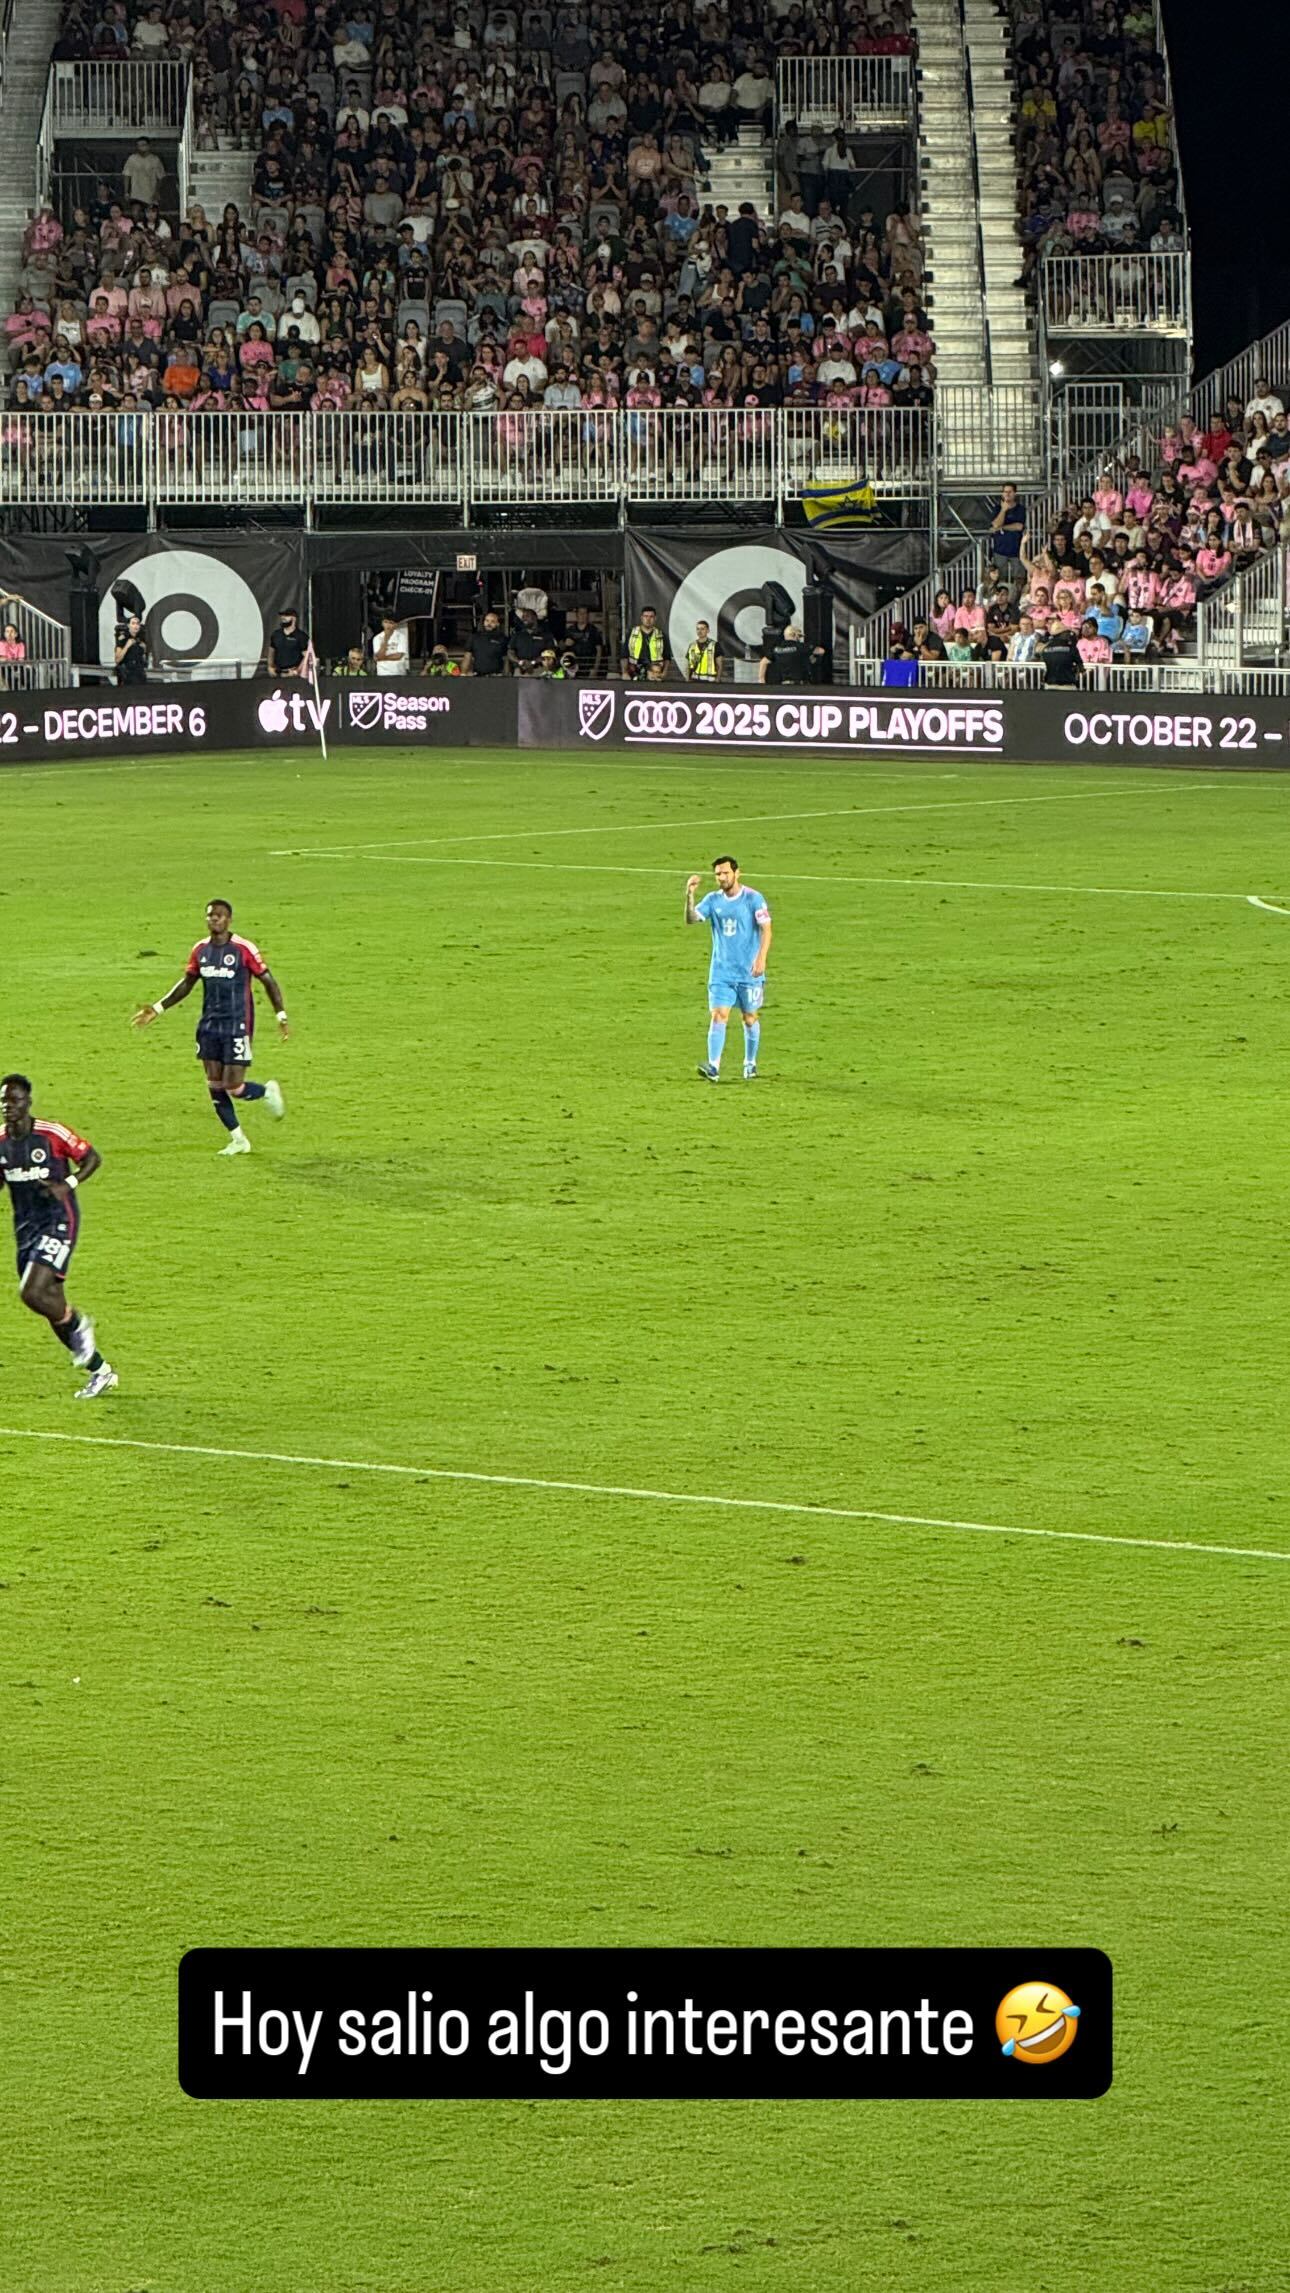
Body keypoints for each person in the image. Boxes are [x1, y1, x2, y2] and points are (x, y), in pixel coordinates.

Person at [132, 898, 288, 1157]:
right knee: (215, 1085)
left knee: (234, 1087)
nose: (214, 919)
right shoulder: (201, 950)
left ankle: (266, 1091)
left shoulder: (243, 948)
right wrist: (157, 1009)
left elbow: (268, 981)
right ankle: (238, 1139)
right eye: (210, 916)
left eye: (219, 915)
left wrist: (280, 1015)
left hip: (237, 1025)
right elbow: (186, 984)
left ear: (229, 920)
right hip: (209, 1026)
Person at [0, 1073, 117, 1399]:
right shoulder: (0, 1142)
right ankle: (100, 1371)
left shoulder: (52, 1134)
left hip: (58, 1221)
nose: (9, 1107)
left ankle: (80, 1325)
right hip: (25, 1230)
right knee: (50, 1304)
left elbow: (92, 1158)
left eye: (15, 1100)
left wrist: (69, 1183)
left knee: (32, 1293)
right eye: (4, 1101)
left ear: (28, 1102)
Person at [684, 855, 772, 1083]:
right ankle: (713, 1067)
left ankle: (750, 1063)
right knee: (719, 1015)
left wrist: (761, 959)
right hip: (721, 973)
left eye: (725, 873)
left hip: (749, 972)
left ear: (737, 873)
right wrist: (690, 896)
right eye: (718, 874)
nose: (722, 877)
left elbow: (767, 930)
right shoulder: (713, 900)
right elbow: (692, 919)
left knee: (749, 1018)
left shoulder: (754, 898)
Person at [622, 606, 667, 679]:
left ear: (655, 618)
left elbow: (667, 657)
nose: (648, 619)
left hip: (655, 674)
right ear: (641, 618)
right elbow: (624, 654)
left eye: (651, 617)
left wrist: (664, 673)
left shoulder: (661, 635)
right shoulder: (632, 633)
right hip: (634, 672)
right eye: (646, 616)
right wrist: (624, 672)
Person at [267, 608, 309, 678]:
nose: (283, 618)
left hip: (293, 673)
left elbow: (306, 656)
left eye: (286, 615)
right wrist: (270, 666)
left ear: (294, 618)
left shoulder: (301, 636)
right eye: (282, 616)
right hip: (278, 673)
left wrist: (297, 671)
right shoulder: (276, 634)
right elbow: (271, 651)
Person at [466, 611, 508, 675]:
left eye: (492, 621)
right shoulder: (474, 637)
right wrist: (463, 673)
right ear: (483, 622)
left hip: (497, 676)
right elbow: (467, 657)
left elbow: (506, 659)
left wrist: (507, 675)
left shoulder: (503, 639)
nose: (489, 623)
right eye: (487, 620)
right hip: (478, 676)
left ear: (498, 624)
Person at [373, 611, 411, 676]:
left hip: (398, 672)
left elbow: (398, 656)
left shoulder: (401, 637)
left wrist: (382, 658)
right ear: (382, 623)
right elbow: (378, 655)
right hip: (382, 673)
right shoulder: (376, 638)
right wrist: (386, 639)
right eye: (385, 622)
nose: (388, 625)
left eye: (391, 623)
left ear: (395, 625)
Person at [115, 612, 148, 684]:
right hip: (128, 673)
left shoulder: (141, 638)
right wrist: (127, 646)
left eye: (137, 623)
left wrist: (145, 651)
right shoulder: (123, 638)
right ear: (129, 625)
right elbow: (117, 659)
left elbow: (144, 658)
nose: (135, 626)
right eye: (133, 623)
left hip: (140, 673)